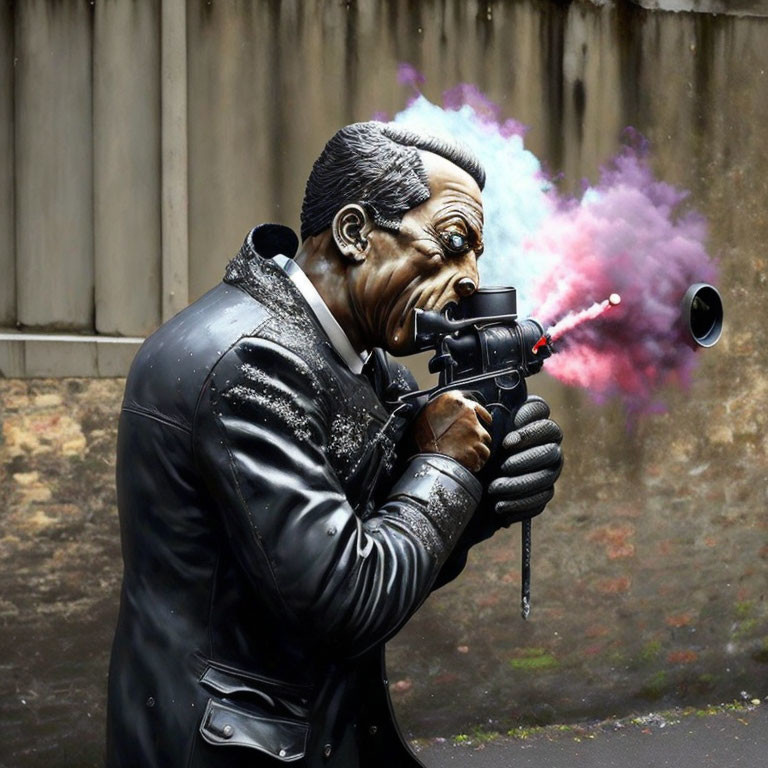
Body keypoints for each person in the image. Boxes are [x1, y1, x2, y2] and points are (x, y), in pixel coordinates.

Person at [106, 122, 563, 768]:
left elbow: (391, 553)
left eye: (477, 256)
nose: (470, 279)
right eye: (454, 243)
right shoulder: (252, 365)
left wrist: (484, 498)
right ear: (353, 233)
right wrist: (444, 469)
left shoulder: (367, 365)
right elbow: (348, 599)